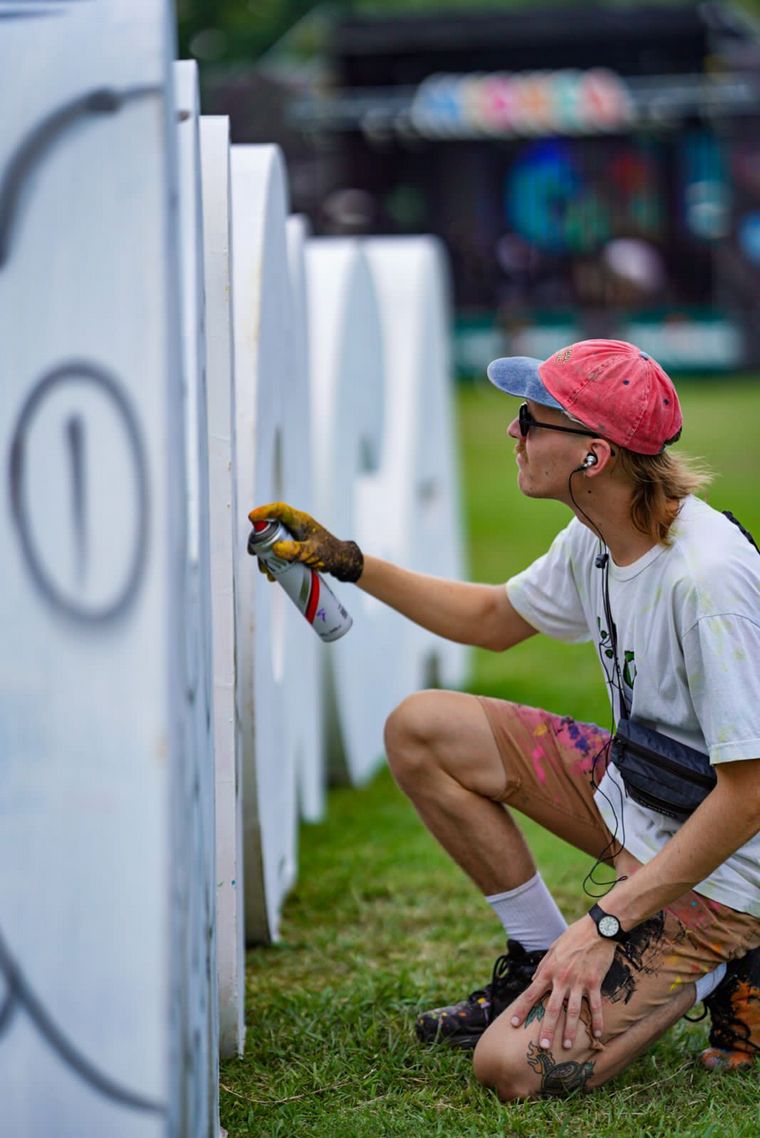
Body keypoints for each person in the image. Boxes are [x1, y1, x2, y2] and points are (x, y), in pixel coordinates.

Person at [249, 339, 760, 1099]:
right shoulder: (594, 533)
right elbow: (494, 618)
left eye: (530, 419)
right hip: (643, 792)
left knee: (510, 1069)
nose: (512, 433)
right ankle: (535, 951)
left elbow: (748, 795)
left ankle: (728, 961)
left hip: (726, 864)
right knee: (422, 727)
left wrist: (608, 922)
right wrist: (349, 561)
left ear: (592, 457)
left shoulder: (708, 578)